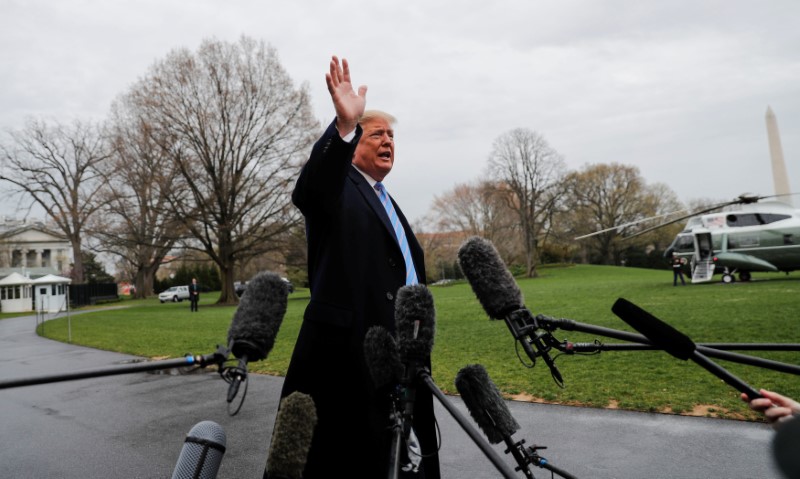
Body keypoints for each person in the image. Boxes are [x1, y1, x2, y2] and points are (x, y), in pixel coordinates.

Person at [276, 56, 440, 478]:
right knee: (350, 462)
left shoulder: (388, 200)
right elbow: (311, 190)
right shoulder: (338, 187)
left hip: (404, 358)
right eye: (377, 134)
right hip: (347, 359)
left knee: (406, 457)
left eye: (392, 135)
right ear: (354, 147)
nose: (388, 141)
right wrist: (344, 128)